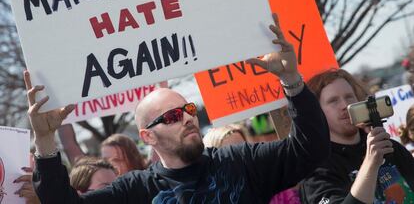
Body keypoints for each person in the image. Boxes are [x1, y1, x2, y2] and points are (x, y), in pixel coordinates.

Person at [29, 13, 330, 203]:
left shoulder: (240, 162)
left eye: (187, 109)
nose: (187, 118)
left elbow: (311, 150)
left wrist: (291, 81)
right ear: (147, 137)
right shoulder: (136, 191)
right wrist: (45, 142)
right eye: (172, 116)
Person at [300, 68, 414, 204]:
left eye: (349, 97)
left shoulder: (389, 147)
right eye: (333, 101)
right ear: (317, 112)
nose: (345, 105)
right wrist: (371, 164)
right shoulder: (317, 168)